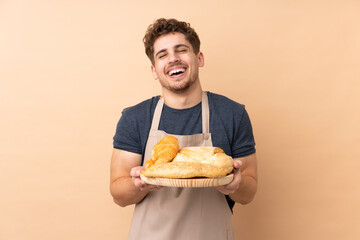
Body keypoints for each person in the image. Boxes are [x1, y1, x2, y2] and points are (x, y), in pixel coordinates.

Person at [110, 18, 257, 240]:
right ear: (154, 70)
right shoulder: (135, 118)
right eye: (162, 55)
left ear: (199, 58)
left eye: (181, 50)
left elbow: (249, 192)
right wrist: (140, 184)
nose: (173, 59)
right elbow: (118, 194)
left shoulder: (232, 114)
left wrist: (236, 183)